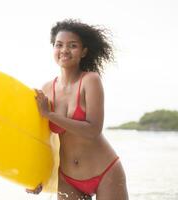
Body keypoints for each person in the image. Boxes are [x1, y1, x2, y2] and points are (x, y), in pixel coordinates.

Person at [27, 19, 129, 200]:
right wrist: (37, 175)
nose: (64, 50)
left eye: (72, 45)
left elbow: (93, 129)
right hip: (67, 178)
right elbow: (42, 139)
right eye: (59, 45)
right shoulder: (47, 89)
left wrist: (49, 115)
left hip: (105, 172)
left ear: (84, 52)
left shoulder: (90, 80)